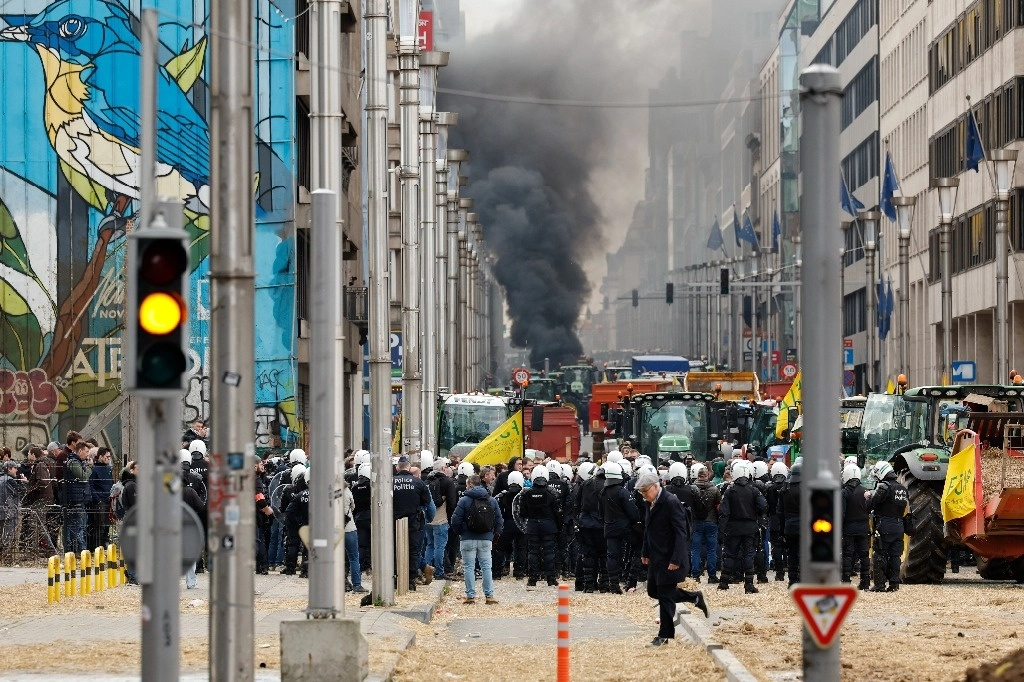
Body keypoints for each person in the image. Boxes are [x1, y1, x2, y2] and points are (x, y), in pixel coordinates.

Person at [637, 472, 708, 647]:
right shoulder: (650, 502)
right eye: (642, 493)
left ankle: (664, 636)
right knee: (654, 591)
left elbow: (680, 532)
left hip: (670, 557)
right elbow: (648, 529)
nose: (644, 496)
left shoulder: (670, 502)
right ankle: (694, 597)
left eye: (646, 492)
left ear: (655, 486)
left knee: (665, 597)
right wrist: (645, 552)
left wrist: (676, 558)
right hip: (656, 556)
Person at [450, 474, 502, 604]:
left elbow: (455, 520)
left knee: (468, 567)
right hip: (486, 539)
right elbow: (499, 520)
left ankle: (470, 596)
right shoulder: (491, 500)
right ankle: (489, 596)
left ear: (470, 485)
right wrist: (493, 534)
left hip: (467, 538)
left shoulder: (464, 500)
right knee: (486, 567)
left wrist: (461, 532)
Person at [718, 460, 767, 593]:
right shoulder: (754, 490)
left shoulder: (729, 491)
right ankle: (749, 584)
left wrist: (721, 531)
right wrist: (757, 514)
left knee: (730, 554)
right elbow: (763, 505)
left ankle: (723, 582)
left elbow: (724, 512)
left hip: (733, 527)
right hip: (750, 527)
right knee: (748, 555)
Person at [866, 461, 908, 592]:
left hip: (884, 526)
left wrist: (868, 496)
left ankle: (879, 585)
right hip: (899, 526)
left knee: (880, 554)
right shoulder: (902, 488)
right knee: (895, 556)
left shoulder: (884, 487)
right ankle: (894, 584)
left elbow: (870, 505)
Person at [392, 455, 433, 590]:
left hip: (393, 522)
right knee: (413, 551)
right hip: (413, 522)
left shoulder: (390, 482)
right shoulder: (418, 483)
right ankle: (410, 580)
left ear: (397, 467)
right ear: (409, 467)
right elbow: (426, 502)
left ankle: (396, 577)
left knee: (394, 549)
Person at [519, 465, 562, 587]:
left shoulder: (527, 493)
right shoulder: (551, 493)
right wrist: (559, 527)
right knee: (549, 552)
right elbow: (557, 512)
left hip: (533, 525)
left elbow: (523, 512)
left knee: (533, 552)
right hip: (549, 526)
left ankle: (532, 579)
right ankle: (551, 578)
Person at [601, 461, 639, 594]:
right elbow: (633, 512)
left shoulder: (603, 492)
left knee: (612, 556)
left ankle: (613, 583)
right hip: (624, 527)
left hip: (609, 527)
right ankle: (630, 579)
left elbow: (601, 511)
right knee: (638, 548)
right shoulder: (623, 492)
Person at [424, 459, 457, 581]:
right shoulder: (447, 482)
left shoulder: (427, 481)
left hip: (428, 519)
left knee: (430, 545)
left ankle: (426, 570)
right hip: (441, 519)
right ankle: (439, 572)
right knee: (440, 546)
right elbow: (452, 503)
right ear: (443, 469)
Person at [840, 464, 871, 590]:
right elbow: (870, 509)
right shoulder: (866, 491)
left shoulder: (844, 492)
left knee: (847, 554)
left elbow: (841, 512)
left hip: (848, 528)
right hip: (864, 528)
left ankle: (846, 581)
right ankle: (865, 582)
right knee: (864, 555)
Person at [691, 464, 721, 583]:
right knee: (711, 550)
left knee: (695, 550)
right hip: (711, 521)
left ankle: (695, 575)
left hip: (696, 522)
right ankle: (712, 576)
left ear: (697, 476)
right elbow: (718, 505)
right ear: (707, 475)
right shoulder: (714, 489)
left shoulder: (692, 488)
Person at [493, 470, 527, 579]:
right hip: (521, 525)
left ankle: (497, 572)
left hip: (507, 525)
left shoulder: (504, 495)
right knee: (521, 548)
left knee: (500, 548)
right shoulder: (524, 495)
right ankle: (519, 572)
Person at [62, 441, 93, 554]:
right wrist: (90, 466)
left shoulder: (79, 462)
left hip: (80, 497)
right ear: (80, 451)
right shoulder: (74, 462)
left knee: (79, 524)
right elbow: (83, 477)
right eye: (86, 451)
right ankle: (79, 549)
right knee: (78, 526)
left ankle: (75, 548)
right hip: (75, 498)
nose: (87, 454)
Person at [87, 447, 114, 549]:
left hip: (108, 499)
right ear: (101, 456)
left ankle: (104, 544)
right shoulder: (94, 469)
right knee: (99, 525)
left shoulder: (108, 469)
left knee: (107, 524)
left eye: (109, 457)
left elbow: (111, 482)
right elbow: (91, 485)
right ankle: (97, 547)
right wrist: (97, 499)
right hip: (100, 501)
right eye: (107, 457)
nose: (108, 459)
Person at [0, 460, 28, 556]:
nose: (17, 470)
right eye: (15, 468)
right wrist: (24, 482)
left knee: (2, 536)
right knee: (8, 536)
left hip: (3, 511)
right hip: (9, 511)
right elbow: (22, 492)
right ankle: (7, 557)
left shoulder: (1, 479)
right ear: (9, 469)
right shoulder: (9, 480)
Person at [342, 483, 366, 592]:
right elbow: (353, 507)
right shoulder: (346, 490)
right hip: (349, 528)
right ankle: (357, 585)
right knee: (354, 558)